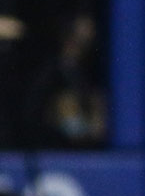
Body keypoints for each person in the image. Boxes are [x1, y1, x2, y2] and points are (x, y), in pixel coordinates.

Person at [23, 13, 107, 148]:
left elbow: (97, 126)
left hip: (81, 151)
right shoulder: (51, 74)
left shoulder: (85, 71)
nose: (91, 36)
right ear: (69, 36)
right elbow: (73, 129)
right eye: (84, 34)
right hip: (53, 151)